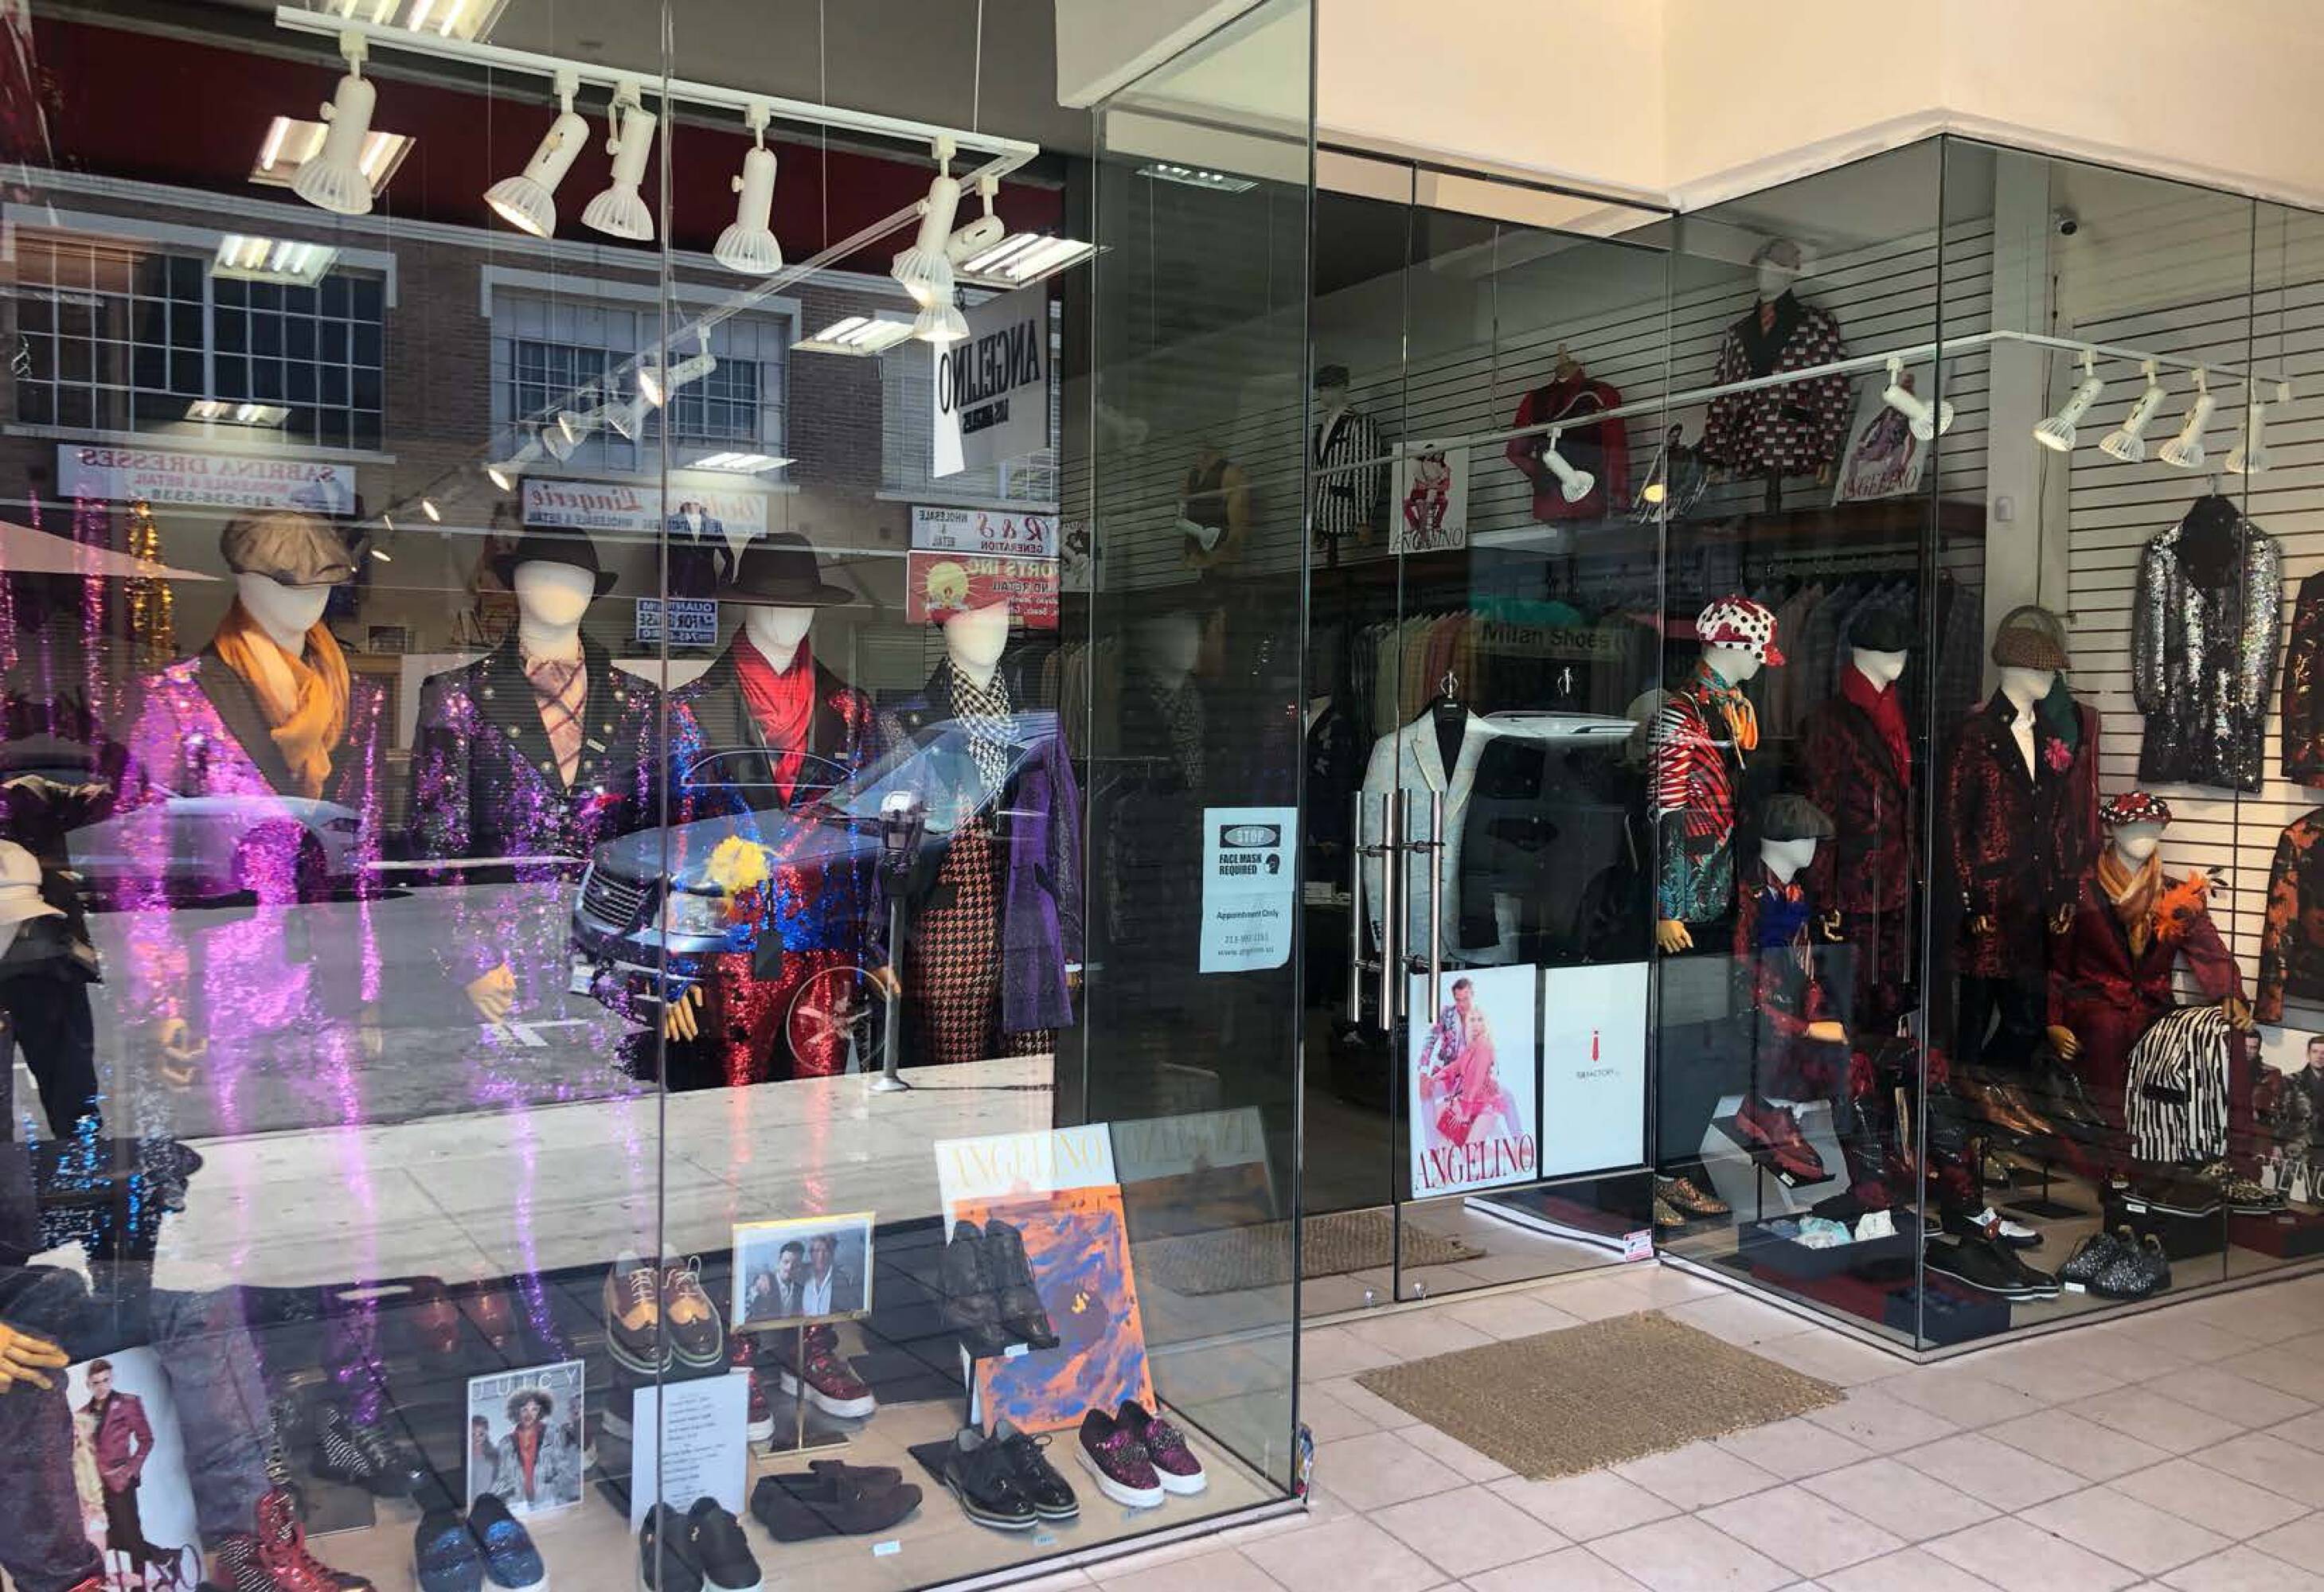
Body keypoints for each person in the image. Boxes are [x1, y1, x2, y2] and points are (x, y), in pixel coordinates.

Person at [82, 1360, 157, 1590]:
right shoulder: (82, 1414)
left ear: (112, 1378)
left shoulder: (127, 1403)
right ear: (88, 1384)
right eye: (96, 1382)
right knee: (109, 1538)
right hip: (96, 1486)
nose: (102, 1386)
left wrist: (130, 1471)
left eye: (105, 1380)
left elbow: (146, 1440)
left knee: (131, 1535)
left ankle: (140, 1585)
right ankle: (160, 1559)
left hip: (120, 1481)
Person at [1417, 977, 1515, 1149]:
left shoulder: (1478, 1018)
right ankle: (1432, 1148)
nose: (1462, 1004)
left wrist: (1492, 1077)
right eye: (1458, 1000)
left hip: (1473, 1080)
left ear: (1473, 996)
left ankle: (1519, 1142)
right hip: (1451, 1078)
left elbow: (1490, 1055)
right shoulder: (1447, 1014)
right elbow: (1430, 1040)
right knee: (1427, 1092)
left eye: (1466, 999)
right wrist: (1425, 1072)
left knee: (1507, 1096)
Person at [489, 1388, 578, 1513]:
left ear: (540, 1411)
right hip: (519, 1506)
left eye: (534, 1409)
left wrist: (556, 1492)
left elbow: (563, 1469)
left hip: (549, 1503)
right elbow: (502, 1478)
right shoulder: (506, 1443)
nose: (529, 1414)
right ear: (517, 1411)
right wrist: (490, 1501)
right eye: (524, 1409)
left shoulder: (552, 1434)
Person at [800, 1232, 861, 1317]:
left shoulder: (846, 1279)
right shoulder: (802, 1278)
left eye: (825, 1251)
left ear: (832, 1253)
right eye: (817, 1251)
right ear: (811, 1254)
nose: (821, 1256)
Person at [467, 1414, 498, 1500]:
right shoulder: (465, 1455)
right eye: (473, 1434)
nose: (477, 1438)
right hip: (469, 1502)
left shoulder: (495, 1455)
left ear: (486, 1433)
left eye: (481, 1434)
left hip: (488, 1501)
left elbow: (498, 1482)